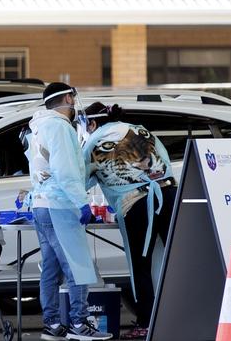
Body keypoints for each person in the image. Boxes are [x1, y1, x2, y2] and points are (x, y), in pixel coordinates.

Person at [81, 102, 177, 340]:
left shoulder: (95, 141)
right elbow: (166, 164)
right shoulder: (141, 129)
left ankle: (146, 322)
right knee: (176, 260)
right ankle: (185, 315)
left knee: (140, 266)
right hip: (169, 195)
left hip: (137, 202)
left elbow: (80, 180)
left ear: (92, 123)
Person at [26, 83, 112, 341]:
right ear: (67, 97)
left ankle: (52, 324)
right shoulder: (61, 127)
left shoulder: (39, 126)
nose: (75, 104)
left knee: (51, 269)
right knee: (77, 267)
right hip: (61, 205)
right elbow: (65, 171)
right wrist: (81, 202)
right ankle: (79, 323)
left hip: (41, 205)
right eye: (73, 98)